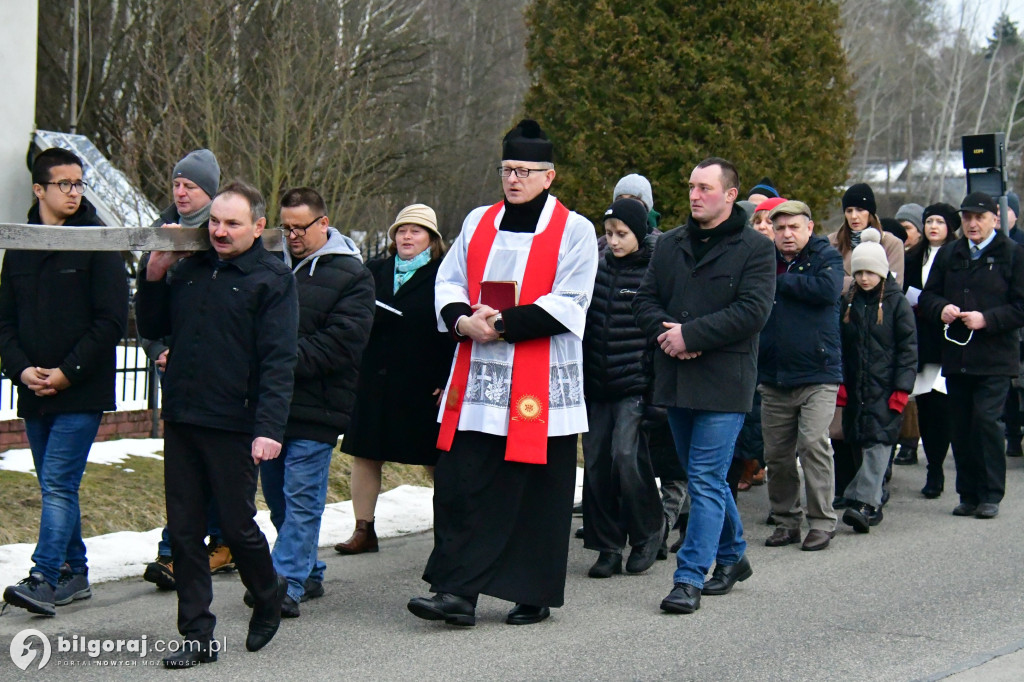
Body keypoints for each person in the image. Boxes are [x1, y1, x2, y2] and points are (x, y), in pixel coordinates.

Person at [407, 119, 597, 627]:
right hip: (478, 380)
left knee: (535, 492)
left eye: (524, 171)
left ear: (548, 176)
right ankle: (455, 593)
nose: (513, 179)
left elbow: (571, 301)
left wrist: (505, 324)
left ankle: (531, 591)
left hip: (538, 379)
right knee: (460, 483)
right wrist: (465, 320)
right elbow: (447, 281)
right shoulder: (478, 221)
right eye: (506, 169)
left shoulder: (575, 230)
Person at [136, 180, 298, 666]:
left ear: (258, 227)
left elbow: (278, 360)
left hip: (235, 421)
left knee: (236, 524)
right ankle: (198, 635)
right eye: (214, 222)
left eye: (232, 223)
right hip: (184, 415)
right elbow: (150, 327)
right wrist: (153, 277)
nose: (220, 231)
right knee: (183, 532)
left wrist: (269, 428)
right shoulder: (191, 271)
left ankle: (267, 592)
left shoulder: (272, 279)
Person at [633, 157, 775, 615]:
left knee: (708, 479)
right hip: (676, 378)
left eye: (705, 188)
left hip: (725, 382)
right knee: (701, 476)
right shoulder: (670, 244)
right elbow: (645, 300)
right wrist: (667, 335)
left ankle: (689, 577)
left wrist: (691, 336)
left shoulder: (755, 248)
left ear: (730, 194)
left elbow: (753, 312)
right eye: (691, 186)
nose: (695, 195)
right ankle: (733, 556)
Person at [0, 147, 128, 616]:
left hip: (81, 389)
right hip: (34, 388)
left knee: (57, 483)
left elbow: (111, 321)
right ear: (39, 189)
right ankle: (76, 573)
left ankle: (44, 576)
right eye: (64, 184)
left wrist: (67, 372)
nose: (75, 192)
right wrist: (21, 369)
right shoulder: (20, 242)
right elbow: (6, 322)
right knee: (55, 484)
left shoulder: (98, 241)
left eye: (80, 184)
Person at [251, 187, 374, 616]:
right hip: (271, 407)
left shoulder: (353, 274)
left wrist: (280, 359)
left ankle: (283, 583)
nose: (292, 236)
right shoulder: (270, 265)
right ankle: (310, 570)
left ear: (323, 223)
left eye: (300, 227)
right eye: (285, 227)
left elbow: (344, 342)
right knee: (280, 501)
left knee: (301, 498)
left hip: (318, 406)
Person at [139, 149, 234, 590]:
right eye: (176, 183)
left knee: (211, 460)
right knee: (182, 466)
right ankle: (175, 545)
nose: (180, 191)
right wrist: (158, 348)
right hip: (172, 363)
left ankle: (215, 542)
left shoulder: (222, 236)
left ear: (210, 194)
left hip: (213, 366)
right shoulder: (162, 232)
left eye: (190, 185)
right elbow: (148, 305)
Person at [337, 203, 455, 555]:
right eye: (401, 230)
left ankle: (449, 532)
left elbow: (454, 327)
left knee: (436, 460)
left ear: (431, 240)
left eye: (416, 231)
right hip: (374, 379)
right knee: (365, 454)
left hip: (422, 381)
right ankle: (363, 529)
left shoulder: (443, 275)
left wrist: (447, 377)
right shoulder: (373, 270)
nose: (407, 236)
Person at [919, 192, 1024, 520]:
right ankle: (968, 493)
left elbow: (1020, 307)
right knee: (961, 426)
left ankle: (991, 493)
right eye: (967, 217)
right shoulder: (951, 253)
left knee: (986, 422)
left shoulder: (1012, 253)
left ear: (995, 218)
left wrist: (987, 319)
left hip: (994, 356)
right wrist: (942, 309)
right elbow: (928, 296)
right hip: (958, 355)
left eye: (979, 217)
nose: (972, 223)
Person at [581, 198, 663, 578]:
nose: (613, 241)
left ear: (639, 233)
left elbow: (660, 334)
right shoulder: (593, 268)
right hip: (597, 383)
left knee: (626, 457)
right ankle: (607, 545)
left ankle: (648, 531)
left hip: (635, 383)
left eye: (622, 234)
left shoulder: (654, 271)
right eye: (609, 234)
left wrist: (657, 393)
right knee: (596, 463)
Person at [757, 200, 844, 552]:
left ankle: (822, 521)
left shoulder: (827, 256)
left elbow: (826, 289)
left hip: (818, 372)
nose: (786, 234)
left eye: (794, 227)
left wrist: (781, 281)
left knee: (812, 444)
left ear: (809, 227)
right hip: (774, 373)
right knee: (776, 454)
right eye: (780, 229)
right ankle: (786, 520)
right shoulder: (766, 260)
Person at [828, 183, 905, 503]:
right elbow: (829, 282)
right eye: (849, 210)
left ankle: (875, 487)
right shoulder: (834, 242)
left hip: (879, 329)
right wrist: (856, 282)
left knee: (875, 420)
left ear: (871, 212)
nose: (854, 216)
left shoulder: (892, 242)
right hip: (844, 331)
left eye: (860, 210)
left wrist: (850, 283)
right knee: (843, 423)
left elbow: (894, 282)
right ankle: (847, 487)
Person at [837, 229, 917, 532]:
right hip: (856, 386)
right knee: (859, 440)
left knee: (879, 443)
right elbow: (842, 346)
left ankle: (863, 502)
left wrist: (901, 388)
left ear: (882, 271)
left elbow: (908, 349)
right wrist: (842, 383)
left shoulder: (897, 304)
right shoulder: (849, 302)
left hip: (885, 389)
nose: (864, 278)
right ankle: (872, 501)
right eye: (859, 272)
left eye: (870, 272)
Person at [903, 203, 959, 497]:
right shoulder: (913, 257)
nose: (933, 226)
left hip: (951, 339)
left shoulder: (958, 255)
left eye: (939, 221)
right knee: (926, 404)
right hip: (922, 339)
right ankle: (933, 468)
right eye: (929, 221)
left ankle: (945, 464)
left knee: (945, 405)